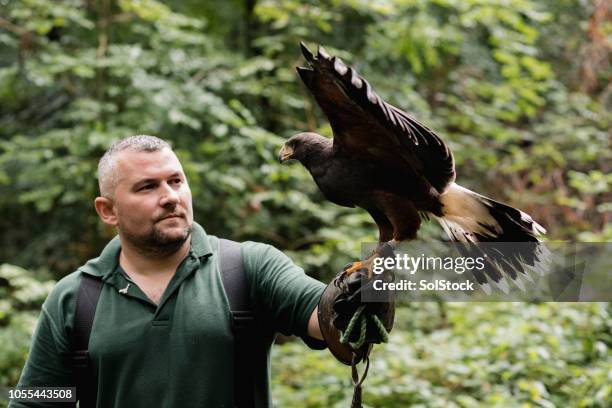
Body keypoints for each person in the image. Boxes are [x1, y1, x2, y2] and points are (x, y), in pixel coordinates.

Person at [10, 135, 328, 408]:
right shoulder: (75, 298)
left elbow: (345, 322)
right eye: (147, 187)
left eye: (176, 181)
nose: (170, 197)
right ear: (108, 211)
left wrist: (380, 250)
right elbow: (39, 398)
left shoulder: (247, 268)